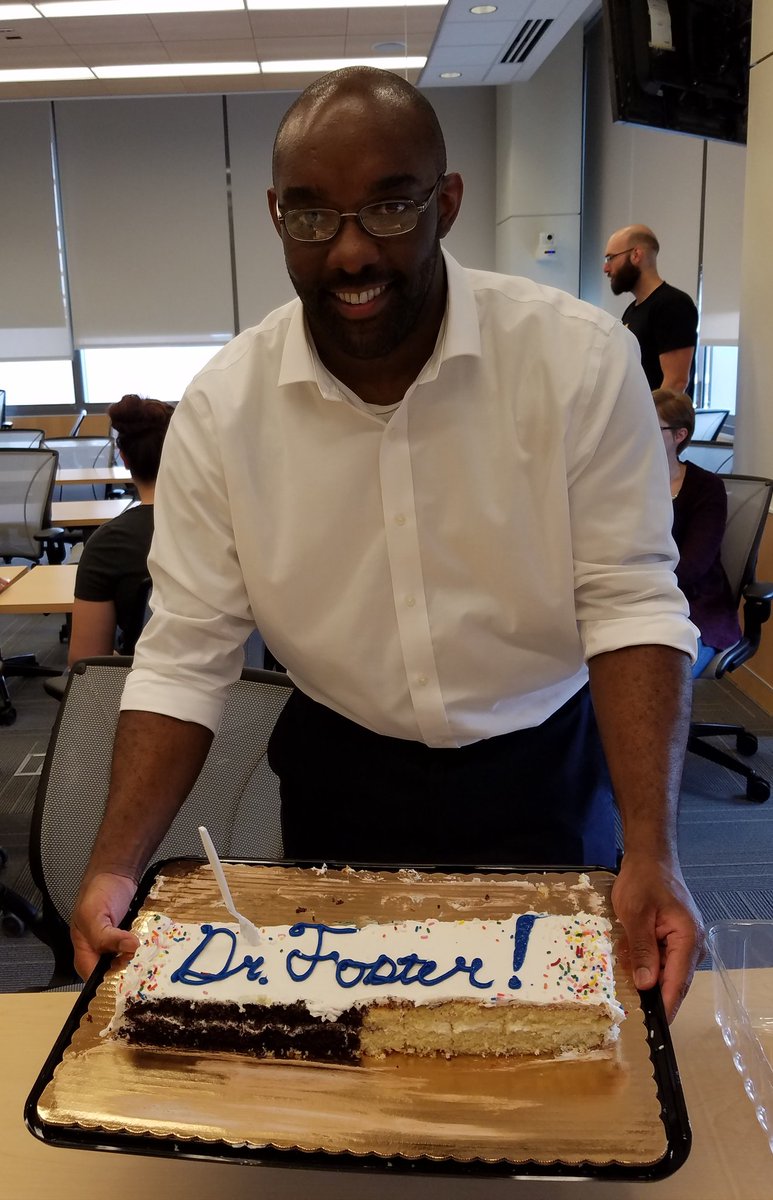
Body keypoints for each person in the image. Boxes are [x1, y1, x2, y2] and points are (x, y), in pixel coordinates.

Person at [71, 67, 703, 1023]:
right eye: (315, 217)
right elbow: (184, 654)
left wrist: (652, 849)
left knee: (550, 1044)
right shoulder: (224, 409)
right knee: (353, 1046)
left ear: (445, 203)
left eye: (389, 207)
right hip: (342, 771)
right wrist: (116, 863)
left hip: (546, 761)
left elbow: (629, 602)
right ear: (278, 217)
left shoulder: (575, 361)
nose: (351, 252)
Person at [67, 394, 174, 665]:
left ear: (124, 458)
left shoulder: (109, 544)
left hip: (150, 694)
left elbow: (85, 661)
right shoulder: (233, 530)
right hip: (256, 693)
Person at [653, 388, 741, 678]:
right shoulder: (626, 484)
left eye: (653, 426)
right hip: (637, 599)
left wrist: (640, 584)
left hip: (695, 605)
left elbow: (693, 565)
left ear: (679, 436)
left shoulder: (706, 488)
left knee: (658, 679)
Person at [603, 225, 698, 396]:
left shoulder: (673, 304)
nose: (606, 268)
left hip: (656, 422)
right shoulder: (632, 311)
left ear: (636, 255)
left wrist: (651, 422)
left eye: (610, 258)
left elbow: (676, 383)